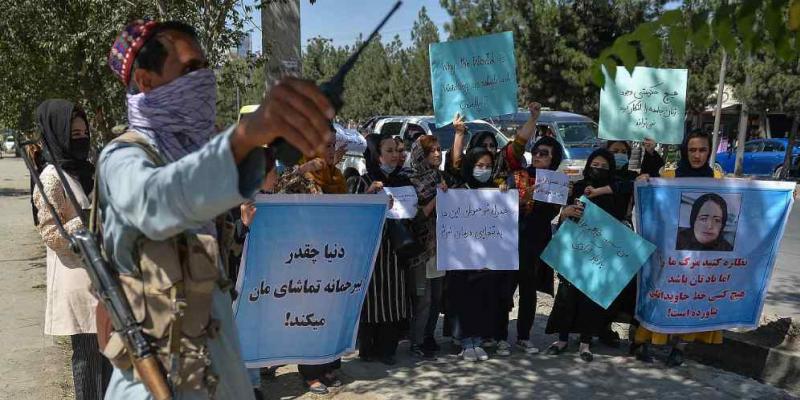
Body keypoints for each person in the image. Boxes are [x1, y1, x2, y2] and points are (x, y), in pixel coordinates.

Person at [100, 19, 333, 399]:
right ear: (145, 81)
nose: (204, 78)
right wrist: (243, 138)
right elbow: (156, 202)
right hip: (154, 382)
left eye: (205, 67)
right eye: (190, 69)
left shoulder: (192, 154)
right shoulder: (122, 158)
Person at [32, 99, 113, 400]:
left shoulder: (86, 171)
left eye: (83, 133)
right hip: (76, 280)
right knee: (88, 358)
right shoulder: (52, 178)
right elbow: (49, 232)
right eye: (74, 134)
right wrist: (84, 224)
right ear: (59, 135)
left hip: (101, 277)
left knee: (109, 356)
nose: (81, 139)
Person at [633, 130, 724, 366]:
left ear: (709, 151)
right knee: (659, 291)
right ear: (685, 151)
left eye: (702, 150)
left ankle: (679, 348)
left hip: (702, 258)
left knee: (692, 297)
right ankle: (642, 341)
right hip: (669, 252)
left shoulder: (717, 179)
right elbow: (654, 202)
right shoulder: (670, 176)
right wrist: (645, 181)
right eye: (692, 150)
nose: (697, 155)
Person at [497, 102, 564, 355]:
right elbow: (503, 209)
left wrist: (544, 202)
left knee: (528, 292)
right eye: (537, 152)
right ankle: (500, 336)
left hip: (535, 244)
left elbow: (551, 213)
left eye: (545, 153)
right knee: (505, 291)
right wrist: (519, 199)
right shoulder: (517, 175)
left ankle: (523, 336)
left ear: (554, 158)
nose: (538, 156)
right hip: (511, 242)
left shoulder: (557, 183)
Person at [545, 149, 619, 363]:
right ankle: (562, 339)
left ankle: (586, 342)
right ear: (588, 166)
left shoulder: (613, 192)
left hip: (600, 253)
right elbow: (563, 215)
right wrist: (566, 212)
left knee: (591, 297)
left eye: (604, 167)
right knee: (566, 295)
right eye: (595, 165)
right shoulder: (577, 187)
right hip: (575, 250)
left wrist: (602, 192)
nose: (599, 170)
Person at [348, 134, 411, 366]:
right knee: (372, 301)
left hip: (396, 252)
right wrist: (369, 195)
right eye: (389, 150)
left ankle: (388, 349)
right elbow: (352, 215)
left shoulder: (404, 180)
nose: (395, 155)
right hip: (371, 251)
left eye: (396, 150)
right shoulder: (363, 182)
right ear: (376, 154)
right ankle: (368, 348)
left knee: (393, 300)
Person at [407, 135, 447, 359]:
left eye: (439, 149)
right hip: (422, 250)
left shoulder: (441, 177)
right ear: (420, 154)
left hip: (441, 248)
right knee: (424, 299)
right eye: (431, 150)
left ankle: (429, 336)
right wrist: (436, 199)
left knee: (437, 296)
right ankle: (416, 340)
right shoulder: (411, 180)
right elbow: (416, 217)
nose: (437, 154)